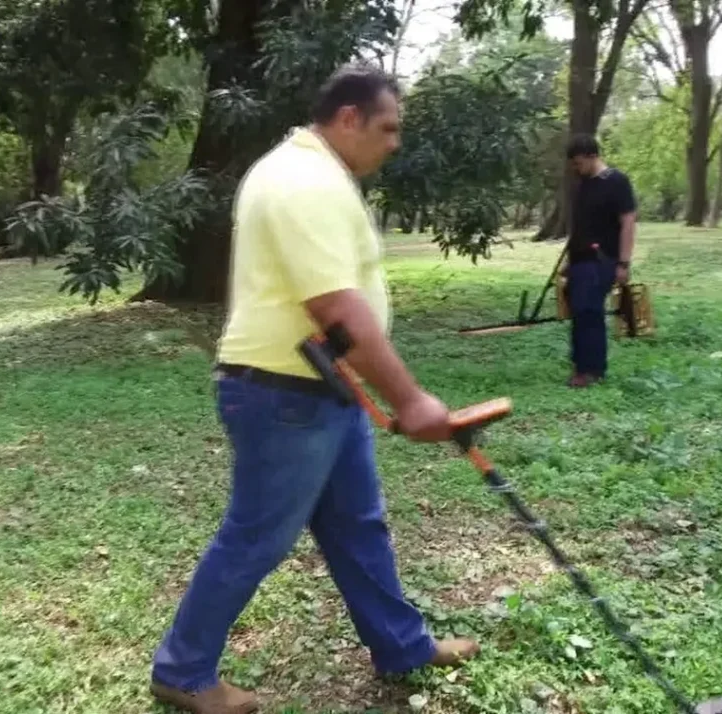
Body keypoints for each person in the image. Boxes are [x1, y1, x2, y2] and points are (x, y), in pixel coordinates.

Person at [148, 63, 481, 714]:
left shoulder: (315, 174)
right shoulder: (303, 179)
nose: (395, 142)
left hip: (325, 390)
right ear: (348, 117)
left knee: (358, 526)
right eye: (387, 127)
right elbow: (336, 306)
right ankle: (183, 671)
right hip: (284, 395)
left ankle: (402, 645)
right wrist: (411, 401)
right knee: (256, 537)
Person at [562, 133, 638, 388]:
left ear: (593, 156)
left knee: (590, 310)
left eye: (579, 162)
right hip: (580, 259)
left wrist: (623, 263)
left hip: (603, 258)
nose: (575, 168)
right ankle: (580, 363)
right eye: (573, 163)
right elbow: (581, 227)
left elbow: (627, 222)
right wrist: (568, 261)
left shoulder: (616, 181)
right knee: (578, 311)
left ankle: (592, 369)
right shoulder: (583, 185)